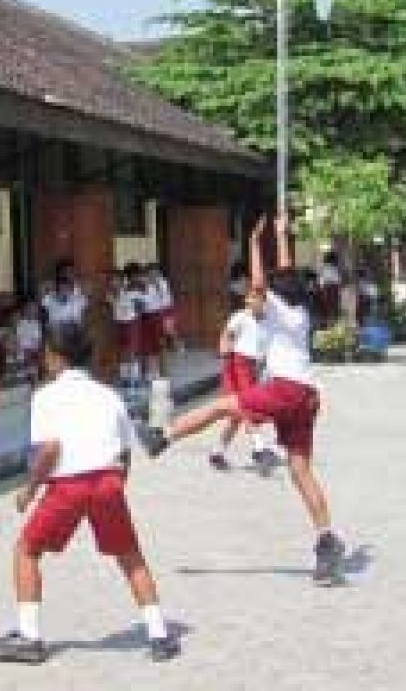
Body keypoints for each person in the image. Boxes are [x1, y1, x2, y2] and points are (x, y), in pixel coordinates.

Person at [139, 214, 347, 586]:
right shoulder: (297, 309)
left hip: (285, 388)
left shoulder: (278, 309)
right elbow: (285, 273)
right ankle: (326, 539)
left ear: (273, 294)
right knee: (300, 471)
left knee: (222, 406)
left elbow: (262, 280)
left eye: (259, 294)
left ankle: (162, 438)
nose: (254, 296)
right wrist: (281, 237)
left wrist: (253, 244)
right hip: (307, 395)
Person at [0, 324, 179, 665]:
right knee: (130, 555)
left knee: (27, 549)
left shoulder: (45, 396)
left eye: (46, 354)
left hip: (68, 485)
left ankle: (29, 634)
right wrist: (119, 484)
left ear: (56, 358)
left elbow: (50, 451)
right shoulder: (108, 394)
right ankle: (159, 633)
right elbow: (125, 450)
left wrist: (29, 490)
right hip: (108, 479)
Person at [209, 285, 274, 475]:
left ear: (264, 302)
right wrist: (223, 352)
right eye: (249, 298)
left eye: (255, 298)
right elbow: (226, 335)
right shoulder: (240, 317)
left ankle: (217, 453)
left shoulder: (267, 320)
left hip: (254, 366)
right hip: (238, 365)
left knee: (237, 416)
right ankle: (259, 449)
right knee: (248, 408)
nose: (250, 301)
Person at [108, 266, 144, 387]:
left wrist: (134, 314)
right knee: (122, 350)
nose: (114, 282)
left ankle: (135, 377)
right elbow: (111, 307)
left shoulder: (132, 292)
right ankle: (124, 377)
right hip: (119, 323)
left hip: (131, 322)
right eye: (112, 280)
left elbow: (140, 307)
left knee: (131, 350)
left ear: (122, 280)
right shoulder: (110, 295)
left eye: (116, 280)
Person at [14, 297, 44, 382]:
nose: (32, 311)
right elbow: (18, 339)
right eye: (30, 309)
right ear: (26, 311)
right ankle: (28, 374)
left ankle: (34, 375)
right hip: (24, 349)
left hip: (34, 349)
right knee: (24, 356)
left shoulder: (37, 324)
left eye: (34, 310)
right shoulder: (21, 323)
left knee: (35, 356)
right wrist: (21, 348)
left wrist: (36, 349)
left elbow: (38, 340)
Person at [317, 251, 342, 324]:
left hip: (328, 288)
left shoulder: (324, 268)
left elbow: (321, 280)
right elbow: (338, 280)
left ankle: (329, 320)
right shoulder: (333, 268)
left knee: (328, 306)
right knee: (333, 305)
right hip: (332, 288)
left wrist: (321, 288)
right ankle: (332, 320)